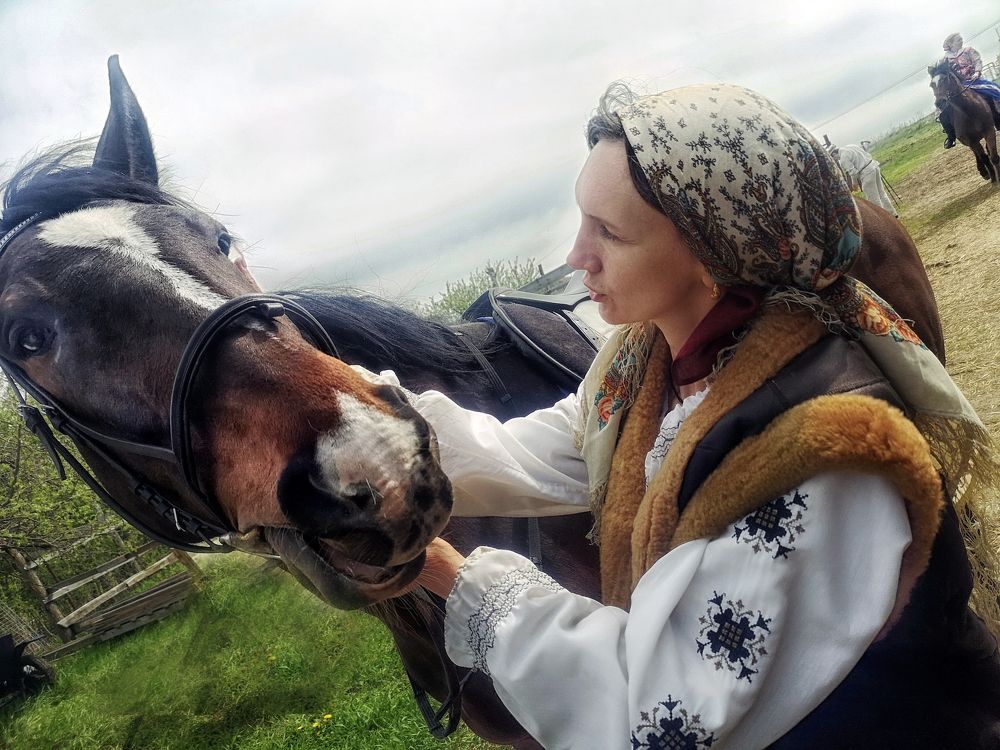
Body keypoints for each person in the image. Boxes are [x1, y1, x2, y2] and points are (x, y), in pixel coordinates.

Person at [363, 82, 1000, 748]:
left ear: (710, 254)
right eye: (582, 221)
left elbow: (654, 713)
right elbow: (521, 455)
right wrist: (360, 414)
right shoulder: (642, 368)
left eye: (609, 232)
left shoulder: (825, 452)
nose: (578, 255)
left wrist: (441, 569)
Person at [938, 32, 1000, 148]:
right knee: (944, 112)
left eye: (961, 39)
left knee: (992, 90)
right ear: (950, 44)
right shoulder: (944, 60)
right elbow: (941, 73)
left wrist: (977, 72)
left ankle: (997, 119)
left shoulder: (968, 50)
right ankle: (951, 137)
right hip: (956, 87)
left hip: (973, 80)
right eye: (958, 40)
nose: (961, 41)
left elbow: (977, 61)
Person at [831, 143, 897, 216]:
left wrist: (854, 184)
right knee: (881, 193)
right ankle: (892, 213)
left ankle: (883, 217)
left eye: (834, 158)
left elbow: (853, 173)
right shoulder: (851, 146)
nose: (836, 160)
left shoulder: (843, 158)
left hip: (867, 173)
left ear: (834, 153)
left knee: (873, 199)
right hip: (874, 167)